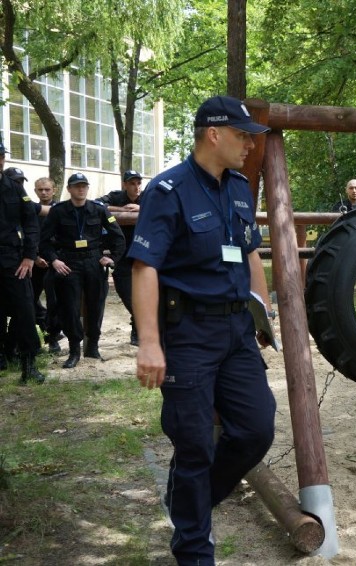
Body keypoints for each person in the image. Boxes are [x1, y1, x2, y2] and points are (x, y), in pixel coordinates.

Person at [128, 95, 277, 562]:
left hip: (236, 331)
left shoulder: (238, 187)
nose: (249, 146)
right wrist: (149, 343)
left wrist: (262, 315)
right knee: (193, 442)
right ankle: (194, 547)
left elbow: (251, 252)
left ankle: (192, 500)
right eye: (242, 136)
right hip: (188, 332)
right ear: (214, 134)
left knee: (256, 429)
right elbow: (144, 266)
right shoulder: (167, 190)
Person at [40, 173, 126, 368]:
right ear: (69, 189)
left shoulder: (99, 209)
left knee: (96, 305)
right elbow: (43, 241)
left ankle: (93, 347)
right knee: (69, 307)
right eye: (77, 186)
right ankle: (73, 350)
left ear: (87, 188)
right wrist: (54, 260)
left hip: (93, 262)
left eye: (84, 186)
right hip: (68, 263)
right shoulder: (58, 211)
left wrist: (111, 258)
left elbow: (118, 237)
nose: (81, 189)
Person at [0, 151, 45, 384]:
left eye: (0, 155)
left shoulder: (15, 188)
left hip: (13, 260)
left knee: (25, 310)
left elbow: (31, 223)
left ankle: (29, 365)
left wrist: (29, 256)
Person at [96, 170, 144, 345]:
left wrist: (142, 208)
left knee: (146, 296)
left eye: (138, 183)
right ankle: (137, 324)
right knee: (127, 295)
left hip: (143, 255)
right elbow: (97, 204)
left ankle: (138, 331)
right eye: (132, 183)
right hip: (121, 255)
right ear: (125, 185)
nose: (136, 187)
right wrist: (121, 210)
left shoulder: (147, 197)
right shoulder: (116, 196)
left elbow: (165, 206)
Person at [330, 179, 356, 329]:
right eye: (351, 188)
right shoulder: (338, 207)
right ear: (346, 190)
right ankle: (344, 324)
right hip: (346, 255)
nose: (354, 191)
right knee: (343, 290)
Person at [31, 177, 62, 353]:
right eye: (40, 189)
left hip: (54, 262)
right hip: (33, 263)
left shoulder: (62, 210)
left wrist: (53, 259)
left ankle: (53, 338)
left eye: (47, 189)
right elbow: (27, 236)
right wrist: (34, 257)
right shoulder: (31, 211)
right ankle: (41, 332)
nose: (44, 192)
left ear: (54, 190)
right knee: (29, 301)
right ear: (35, 191)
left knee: (55, 302)